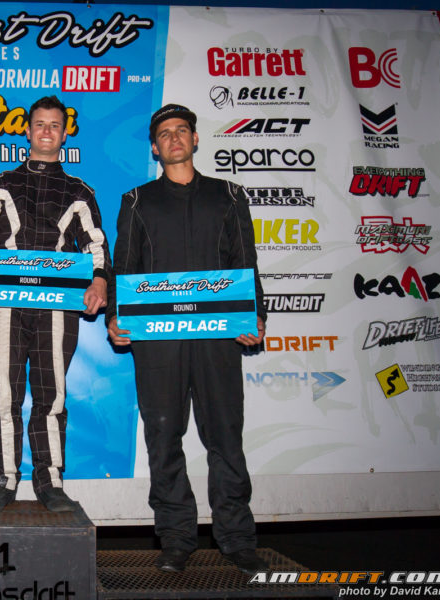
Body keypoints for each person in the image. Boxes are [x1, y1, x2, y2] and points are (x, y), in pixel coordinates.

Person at [106, 104, 268, 574]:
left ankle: (237, 539)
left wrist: (255, 313)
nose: (174, 138)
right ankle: (176, 539)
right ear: (155, 148)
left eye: (182, 130)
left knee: (225, 436)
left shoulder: (229, 195)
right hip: (158, 340)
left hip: (218, 337)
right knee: (163, 435)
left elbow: (246, 260)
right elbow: (124, 266)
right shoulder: (136, 200)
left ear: (195, 139)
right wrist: (116, 315)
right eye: (164, 133)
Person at [0, 95, 111, 513]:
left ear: (64, 133)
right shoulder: (0, 185)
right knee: (2, 394)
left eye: (54, 125)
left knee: (51, 396)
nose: (46, 131)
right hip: (3, 303)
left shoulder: (79, 192)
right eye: (39, 124)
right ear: (27, 131)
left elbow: (96, 245)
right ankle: (2, 479)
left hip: (57, 306)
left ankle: (50, 481)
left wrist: (99, 280)